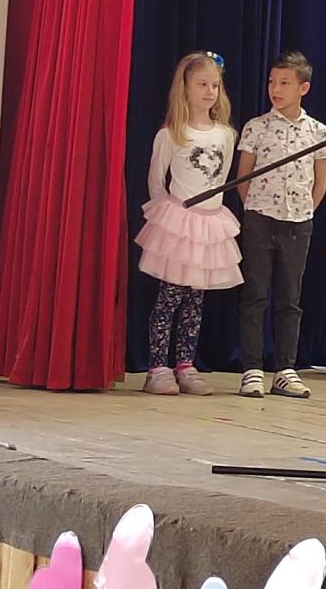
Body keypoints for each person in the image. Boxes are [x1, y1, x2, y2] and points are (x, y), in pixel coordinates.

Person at [137, 51, 243, 396]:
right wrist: (169, 219)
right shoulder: (172, 134)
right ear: (185, 88)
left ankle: (185, 364)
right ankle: (157, 367)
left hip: (210, 225)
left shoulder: (226, 135)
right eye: (202, 84)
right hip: (179, 224)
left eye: (215, 85)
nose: (210, 91)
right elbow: (156, 182)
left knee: (195, 300)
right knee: (169, 297)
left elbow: (222, 179)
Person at [235, 51, 326, 398]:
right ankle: (251, 368)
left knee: (289, 298)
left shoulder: (317, 131)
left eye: (284, 83)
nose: (275, 89)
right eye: (272, 82)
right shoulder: (256, 127)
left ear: (303, 88)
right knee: (255, 294)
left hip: (298, 222)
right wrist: (255, 209)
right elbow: (244, 176)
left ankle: (285, 369)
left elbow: (320, 182)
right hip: (260, 219)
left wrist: (305, 211)